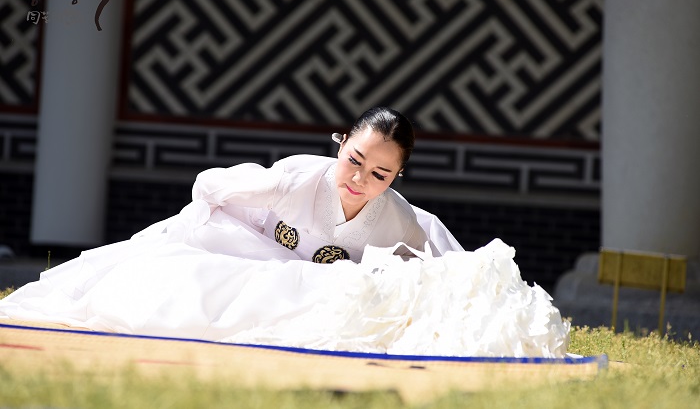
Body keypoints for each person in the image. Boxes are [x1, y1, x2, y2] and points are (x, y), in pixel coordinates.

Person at [0, 107, 570, 357]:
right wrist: (243, 194)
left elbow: (445, 267)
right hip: (250, 257)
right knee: (163, 277)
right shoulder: (298, 175)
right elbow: (210, 190)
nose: (358, 180)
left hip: (313, 290)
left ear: (396, 176)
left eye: (380, 174)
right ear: (341, 142)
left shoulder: (398, 218)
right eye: (354, 160)